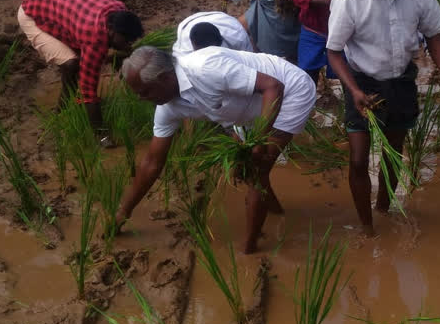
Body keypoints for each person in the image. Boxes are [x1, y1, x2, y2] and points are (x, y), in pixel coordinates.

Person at [115, 46, 316, 254]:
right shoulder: (167, 108)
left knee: (258, 168)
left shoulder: (206, 68)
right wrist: (123, 212)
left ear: (165, 78)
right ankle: (276, 212)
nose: (142, 98)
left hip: (290, 90)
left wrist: (258, 141)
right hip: (247, 108)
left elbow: (273, 86)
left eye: (145, 92)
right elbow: (152, 162)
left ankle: (249, 249)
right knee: (249, 167)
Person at [326, 0, 440, 236]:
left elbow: (434, 35)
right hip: (361, 82)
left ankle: (383, 208)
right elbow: (333, 52)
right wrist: (354, 90)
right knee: (358, 159)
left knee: (394, 152)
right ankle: (366, 226)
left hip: (401, 81)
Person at [17, 0, 144, 141]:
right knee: (71, 64)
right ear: (111, 31)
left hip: (59, 10)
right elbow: (88, 91)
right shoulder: (95, 38)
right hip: (32, 14)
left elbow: (118, 45)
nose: (129, 44)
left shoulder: (120, 11)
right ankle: (62, 109)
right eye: (126, 40)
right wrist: (101, 135)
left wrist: (123, 54)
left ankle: (66, 104)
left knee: (86, 60)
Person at [173, 11, 255, 57]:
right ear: (194, 46)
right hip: (190, 22)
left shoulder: (237, 35)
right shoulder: (184, 53)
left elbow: (249, 58)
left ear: (220, 40)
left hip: (221, 19)